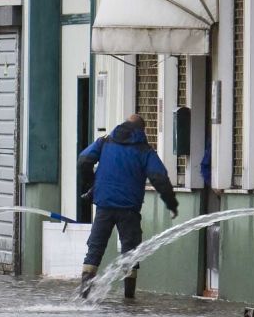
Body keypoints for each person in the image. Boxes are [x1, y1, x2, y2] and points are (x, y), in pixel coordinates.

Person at [77, 113, 179, 296]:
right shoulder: (144, 150)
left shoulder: (105, 142)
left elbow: (84, 159)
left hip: (104, 205)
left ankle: (84, 296)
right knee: (130, 251)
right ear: (142, 130)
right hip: (129, 209)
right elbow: (159, 177)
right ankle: (129, 298)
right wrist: (171, 203)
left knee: (95, 247)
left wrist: (91, 183)